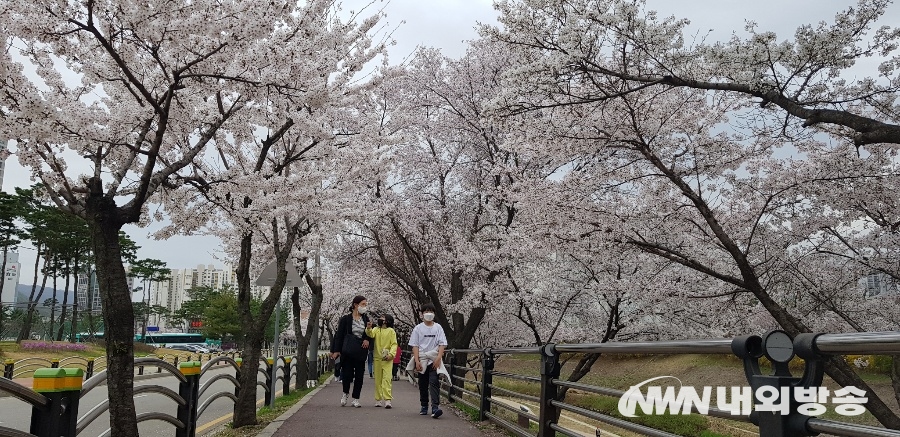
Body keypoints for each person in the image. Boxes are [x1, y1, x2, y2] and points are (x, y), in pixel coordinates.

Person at [330, 295, 372, 408]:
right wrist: (336, 350)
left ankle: (356, 398)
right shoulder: (346, 319)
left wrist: (367, 339)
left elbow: (370, 334)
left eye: (365, 305)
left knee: (359, 375)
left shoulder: (366, 319)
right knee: (347, 374)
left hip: (360, 351)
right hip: (348, 351)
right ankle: (345, 393)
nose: (365, 307)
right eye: (363, 304)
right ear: (355, 305)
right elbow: (339, 335)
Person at [408, 303, 448, 418]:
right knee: (423, 383)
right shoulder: (418, 328)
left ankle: (435, 407)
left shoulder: (438, 328)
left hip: (434, 359)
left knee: (434, 382)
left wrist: (439, 358)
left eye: (431, 311)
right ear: (422, 314)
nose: (428, 313)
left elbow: (442, 344)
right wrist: (417, 360)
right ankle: (424, 406)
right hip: (422, 359)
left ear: (434, 314)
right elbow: (415, 345)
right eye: (426, 311)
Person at [366, 314, 398, 408]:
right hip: (377, 358)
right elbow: (370, 334)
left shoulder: (391, 331)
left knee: (387, 379)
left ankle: (387, 400)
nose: (380, 319)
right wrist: (368, 328)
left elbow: (394, 344)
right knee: (378, 380)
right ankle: (378, 399)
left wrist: (391, 354)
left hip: (388, 359)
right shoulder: (376, 329)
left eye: (383, 317)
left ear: (387, 321)